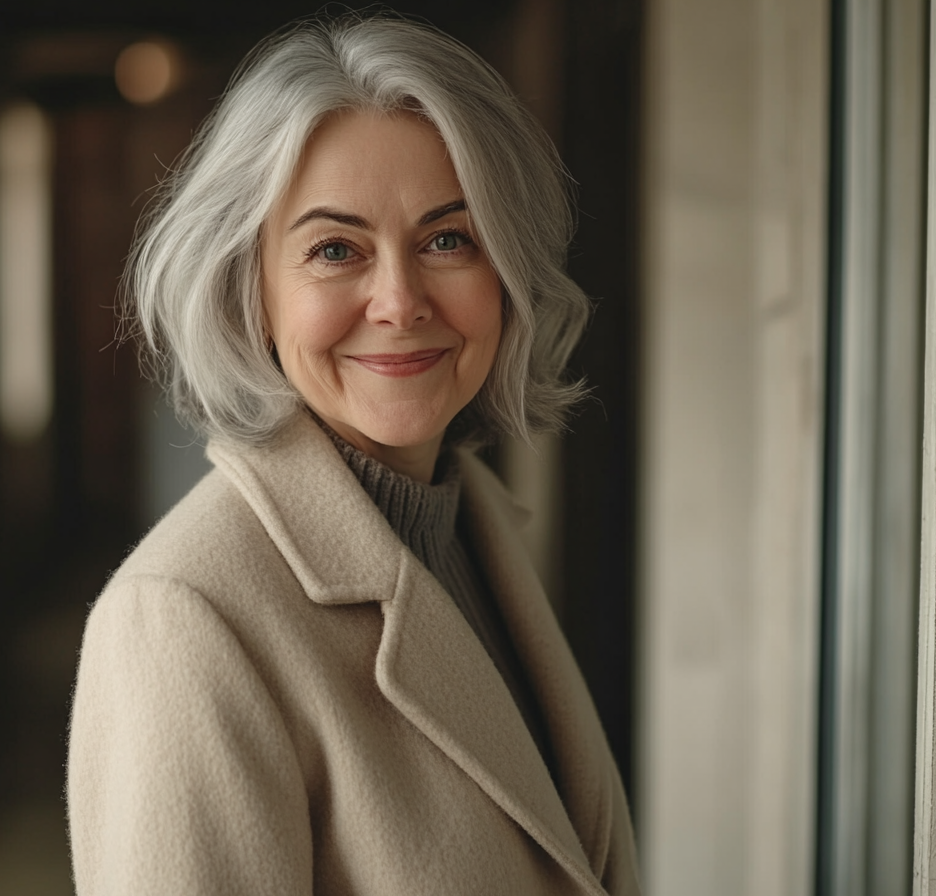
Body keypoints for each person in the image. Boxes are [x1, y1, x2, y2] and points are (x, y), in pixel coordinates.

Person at [66, 12, 639, 896]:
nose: (401, 301)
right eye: (335, 249)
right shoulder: (183, 622)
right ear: (249, 290)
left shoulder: (475, 530)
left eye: (449, 238)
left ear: (509, 272)